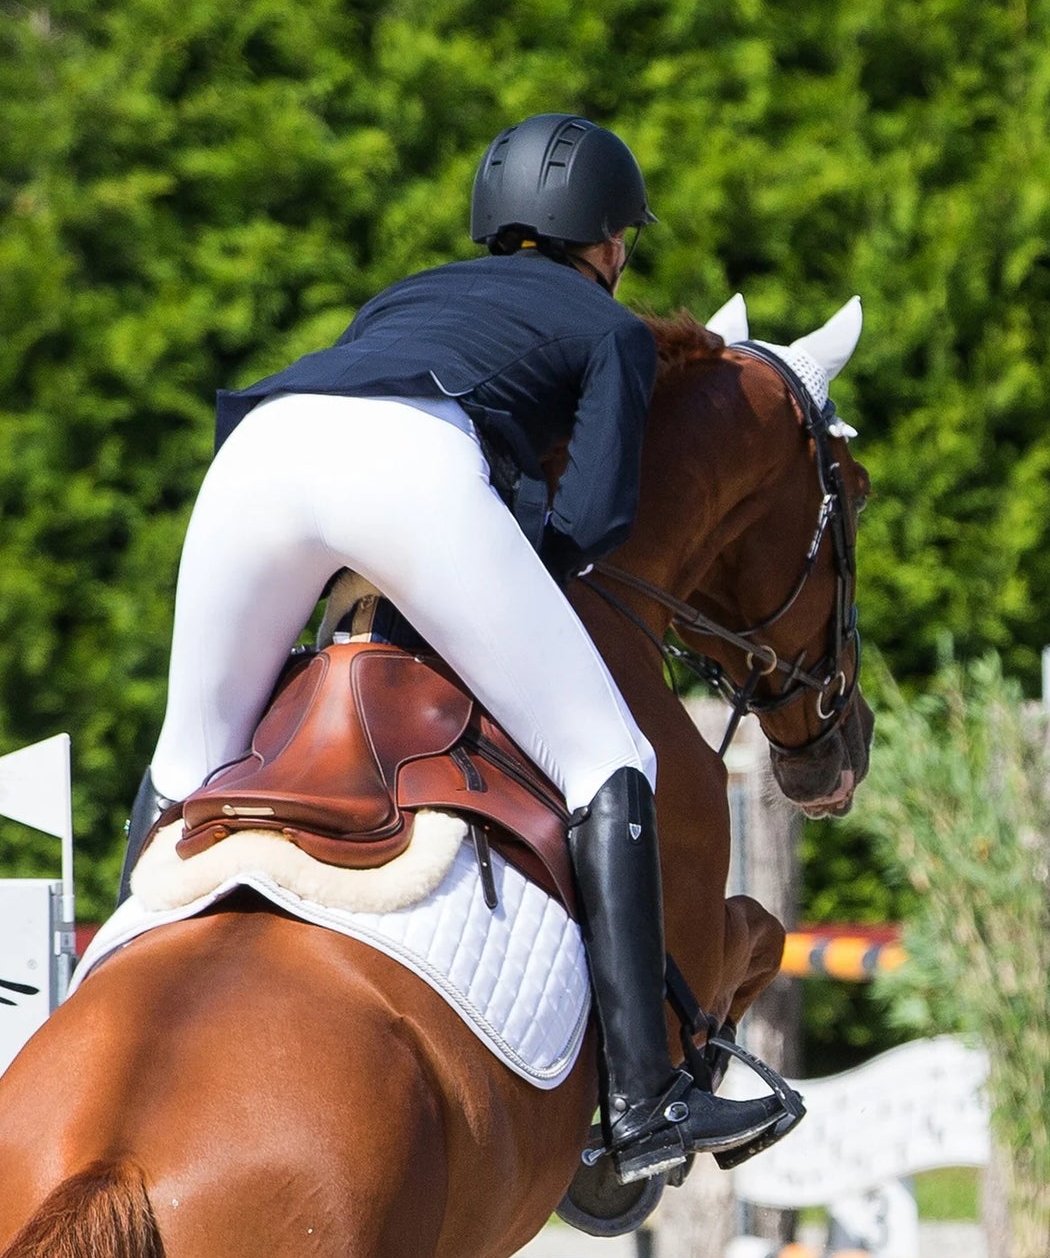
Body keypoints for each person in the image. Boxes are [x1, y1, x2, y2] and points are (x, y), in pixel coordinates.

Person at [117, 112, 789, 1183]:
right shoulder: (607, 327)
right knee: (609, 758)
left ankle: (94, 1026)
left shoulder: (411, 294)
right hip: (406, 466)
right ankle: (644, 1095)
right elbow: (595, 523)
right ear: (610, 244)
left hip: (256, 450)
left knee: (187, 756)